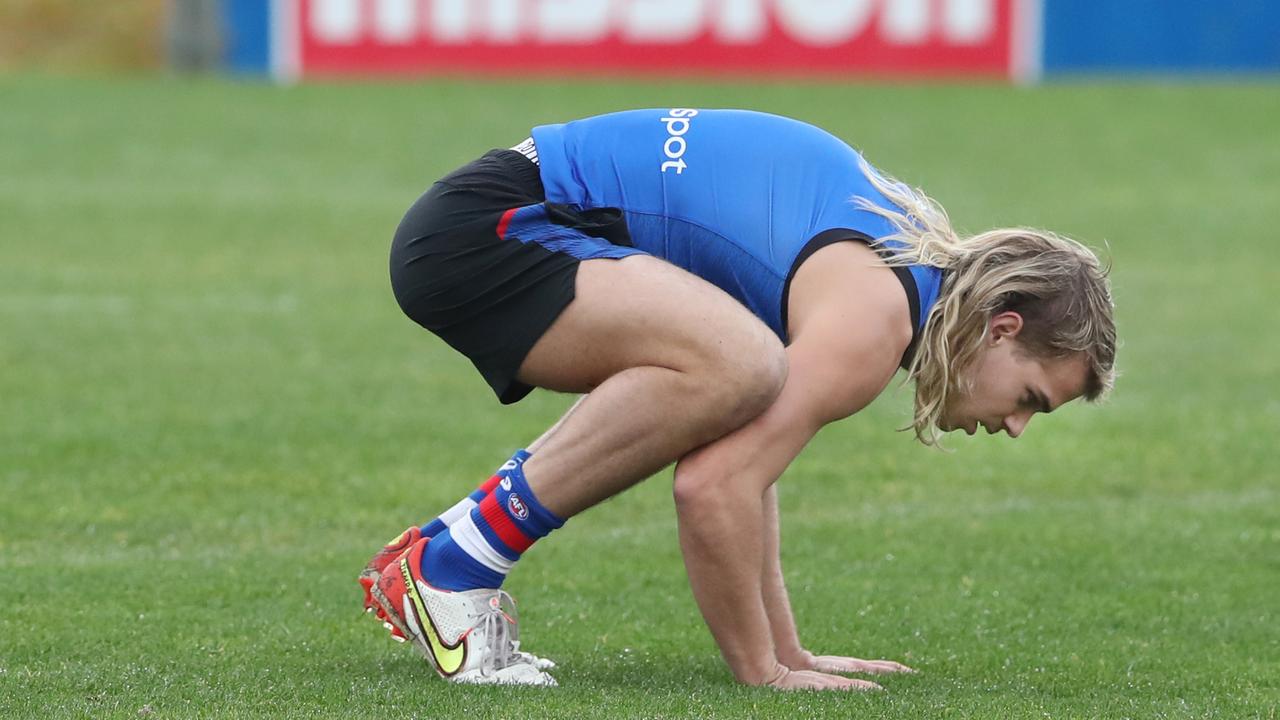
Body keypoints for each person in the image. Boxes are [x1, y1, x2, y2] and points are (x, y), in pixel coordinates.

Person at [357, 109, 1117, 689]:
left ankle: (441, 549)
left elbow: (746, 459)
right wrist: (764, 673)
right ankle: (452, 569)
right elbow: (714, 486)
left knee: (740, 375)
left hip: (485, 217)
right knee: (741, 365)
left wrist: (788, 650)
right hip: (491, 231)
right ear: (1001, 327)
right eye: (1030, 398)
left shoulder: (901, 265)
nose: (1015, 426)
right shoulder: (875, 315)